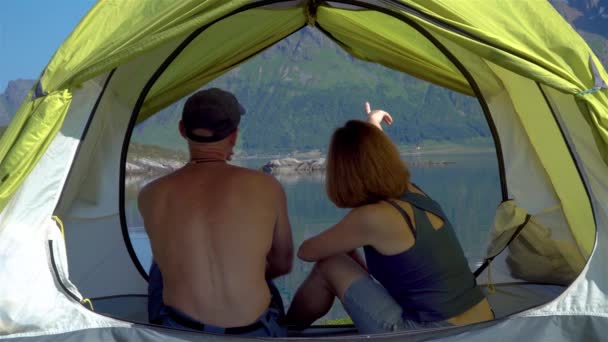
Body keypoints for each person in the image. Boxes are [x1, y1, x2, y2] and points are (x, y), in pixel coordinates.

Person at [284, 102, 494, 334]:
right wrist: (372, 122)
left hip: (433, 333)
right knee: (344, 252)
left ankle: (283, 333)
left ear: (343, 172)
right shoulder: (413, 191)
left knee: (330, 264)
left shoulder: (372, 217)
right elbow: (376, 155)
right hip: (482, 319)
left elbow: (307, 252)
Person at [138, 88, 293, 337]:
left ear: (181, 130)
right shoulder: (267, 186)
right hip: (254, 332)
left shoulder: (150, 194)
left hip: (182, 331)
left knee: (160, 263)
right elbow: (283, 263)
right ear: (233, 135)